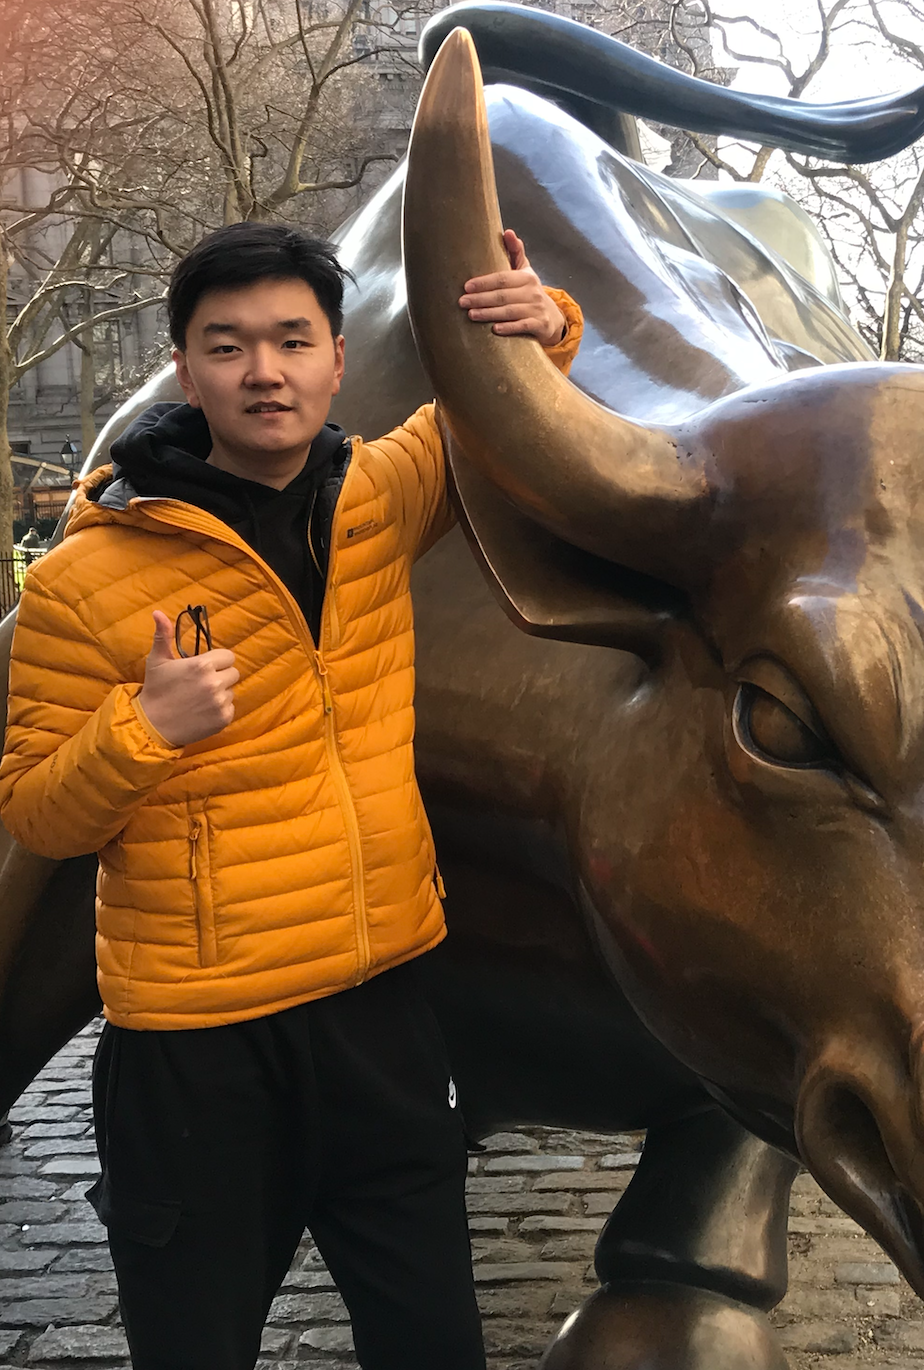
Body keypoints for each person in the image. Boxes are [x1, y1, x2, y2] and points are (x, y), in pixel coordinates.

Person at [0, 221, 583, 1369]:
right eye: (227, 345)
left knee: (433, 1344)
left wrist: (544, 319)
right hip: (195, 1057)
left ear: (334, 360)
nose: (262, 370)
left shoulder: (381, 497)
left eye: (289, 340)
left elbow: (495, 414)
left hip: (381, 1019)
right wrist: (140, 730)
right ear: (185, 367)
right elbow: (39, 817)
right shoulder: (84, 579)